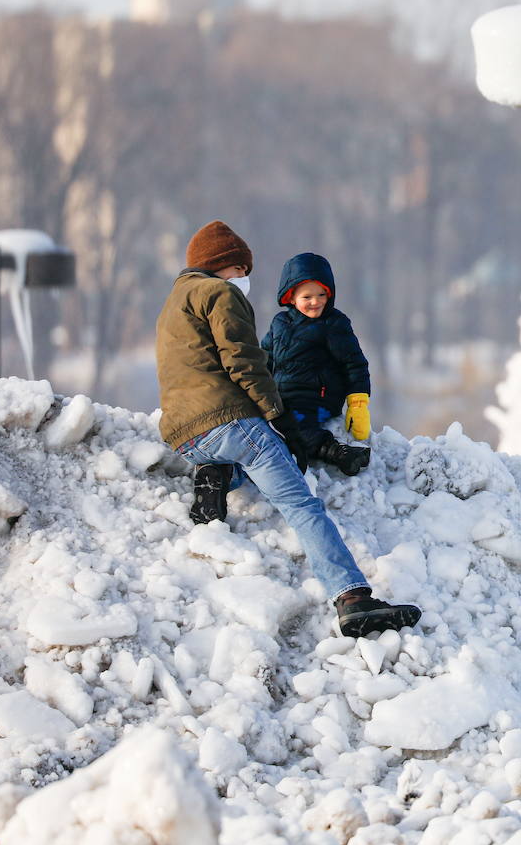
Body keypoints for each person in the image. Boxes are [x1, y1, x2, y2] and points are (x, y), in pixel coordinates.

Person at [154, 219, 420, 638]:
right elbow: (245, 363)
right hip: (230, 420)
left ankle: (220, 473)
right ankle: (352, 598)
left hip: (185, 433)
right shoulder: (219, 293)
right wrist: (280, 421)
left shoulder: (175, 301)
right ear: (227, 265)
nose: (245, 280)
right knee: (301, 503)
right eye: (243, 271)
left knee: (249, 462)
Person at [260, 252, 371, 476]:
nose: (316, 302)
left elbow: (354, 363)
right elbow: (264, 358)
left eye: (322, 294)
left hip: (317, 397)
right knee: (264, 425)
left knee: (293, 426)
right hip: (283, 397)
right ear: (290, 297)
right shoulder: (279, 323)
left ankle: (339, 452)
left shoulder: (334, 323)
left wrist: (358, 403)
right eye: (307, 297)